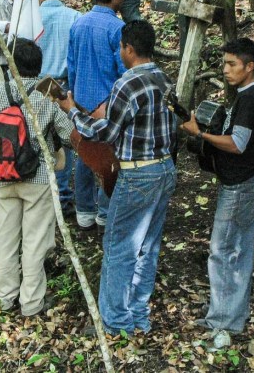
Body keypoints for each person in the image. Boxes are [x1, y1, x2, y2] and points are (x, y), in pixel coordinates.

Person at [59, 20, 177, 335]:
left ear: (129, 49)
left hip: (139, 173)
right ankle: (138, 316)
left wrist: (72, 111)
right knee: (147, 247)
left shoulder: (128, 83)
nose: (120, 53)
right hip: (165, 168)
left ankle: (114, 322)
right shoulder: (163, 78)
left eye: (121, 48)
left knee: (119, 246)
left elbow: (107, 132)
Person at [180, 38, 254, 348]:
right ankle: (228, 314)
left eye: (232, 64)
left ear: (250, 66)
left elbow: (238, 144)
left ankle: (224, 322)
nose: (226, 70)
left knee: (224, 251)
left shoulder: (252, 98)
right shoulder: (246, 96)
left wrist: (201, 134)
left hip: (240, 186)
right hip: (239, 183)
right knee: (235, 250)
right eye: (224, 64)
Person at [0, 38, 74, 316]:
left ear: (12, 66)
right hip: (37, 177)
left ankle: (3, 296)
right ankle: (31, 303)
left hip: (3, 175)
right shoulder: (46, 96)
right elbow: (68, 135)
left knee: (6, 238)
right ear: (39, 67)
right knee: (34, 242)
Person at [67, 0, 127, 231]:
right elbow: (124, 70)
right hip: (108, 103)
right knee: (109, 158)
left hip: (81, 101)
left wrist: (73, 97)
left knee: (85, 154)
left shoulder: (78, 24)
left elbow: (71, 66)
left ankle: (84, 210)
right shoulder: (118, 28)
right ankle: (104, 211)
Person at [36, 0, 80, 216]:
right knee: (64, 138)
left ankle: (45, 193)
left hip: (36, 84)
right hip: (63, 85)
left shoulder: (30, 18)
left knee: (38, 135)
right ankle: (62, 195)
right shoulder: (75, 17)